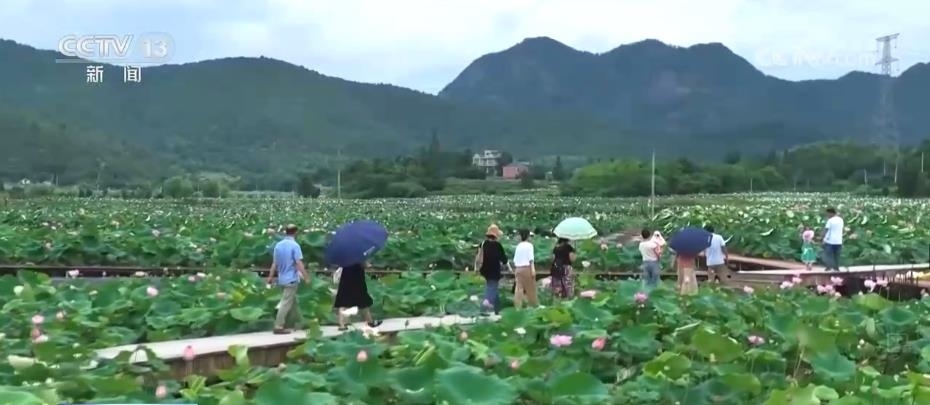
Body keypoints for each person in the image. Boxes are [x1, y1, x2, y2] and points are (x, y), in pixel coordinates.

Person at [266, 224, 310, 334]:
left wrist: (270, 277)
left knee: (293, 302)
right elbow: (298, 263)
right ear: (296, 232)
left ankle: (300, 322)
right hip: (291, 279)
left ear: (285, 232)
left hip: (281, 279)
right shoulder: (295, 245)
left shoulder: (278, 245)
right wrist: (306, 277)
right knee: (286, 303)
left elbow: (274, 263)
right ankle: (278, 326)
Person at [333, 261, 382, 331]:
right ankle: (370, 322)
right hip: (357, 281)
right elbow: (365, 265)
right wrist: (367, 264)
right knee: (363, 302)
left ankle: (341, 325)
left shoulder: (346, 258)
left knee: (343, 302)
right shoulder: (359, 257)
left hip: (345, 280)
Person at [475, 224, 507, 314]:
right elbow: (504, 259)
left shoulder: (483, 244)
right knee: (492, 287)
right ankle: (484, 306)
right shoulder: (497, 245)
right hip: (494, 270)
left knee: (493, 288)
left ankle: (497, 309)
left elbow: (478, 256)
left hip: (484, 269)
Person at [512, 229, 538, 308]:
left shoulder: (518, 246)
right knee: (530, 288)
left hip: (518, 269)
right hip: (527, 268)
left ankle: (517, 307)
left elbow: (515, 260)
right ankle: (533, 306)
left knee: (518, 289)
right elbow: (531, 258)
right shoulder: (529, 245)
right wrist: (533, 269)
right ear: (527, 236)